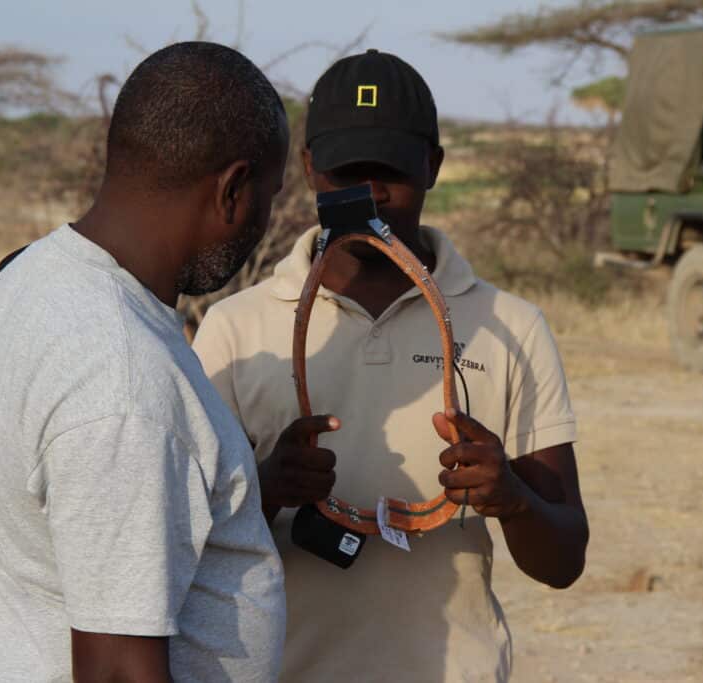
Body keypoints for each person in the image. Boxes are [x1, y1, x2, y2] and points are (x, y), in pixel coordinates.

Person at [192, 49, 589, 682]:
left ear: (433, 167)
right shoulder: (235, 328)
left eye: (392, 172)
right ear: (310, 169)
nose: (370, 194)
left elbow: (564, 560)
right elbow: (184, 546)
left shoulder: (512, 328)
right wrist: (265, 489)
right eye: (349, 171)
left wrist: (510, 498)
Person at [0, 42, 292, 682]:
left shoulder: (29, 276)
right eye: (268, 194)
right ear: (233, 189)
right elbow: (114, 672)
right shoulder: (124, 377)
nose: (266, 216)